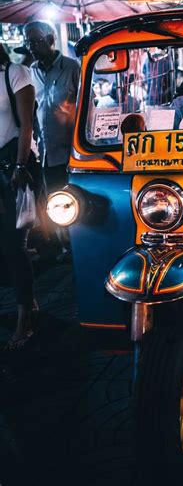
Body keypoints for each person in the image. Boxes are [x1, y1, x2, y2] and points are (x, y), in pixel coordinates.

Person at [25, 20, 80, 260]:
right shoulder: (31, 71)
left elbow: (86, 106)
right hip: (46, 151)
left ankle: (78, 244)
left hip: (71, 149)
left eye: (35, 41)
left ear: (50, 40)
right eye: (28, 43)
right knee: (55, 201)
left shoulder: (72, 67)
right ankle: (66, 246)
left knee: (75, 200)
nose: (31, 47)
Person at [0, 44, 37, 349]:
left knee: (15, 244)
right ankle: (28, 301)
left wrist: (21, 165)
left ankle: (25, 318)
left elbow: (26, 125)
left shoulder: (15, 72)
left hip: (15, 164)